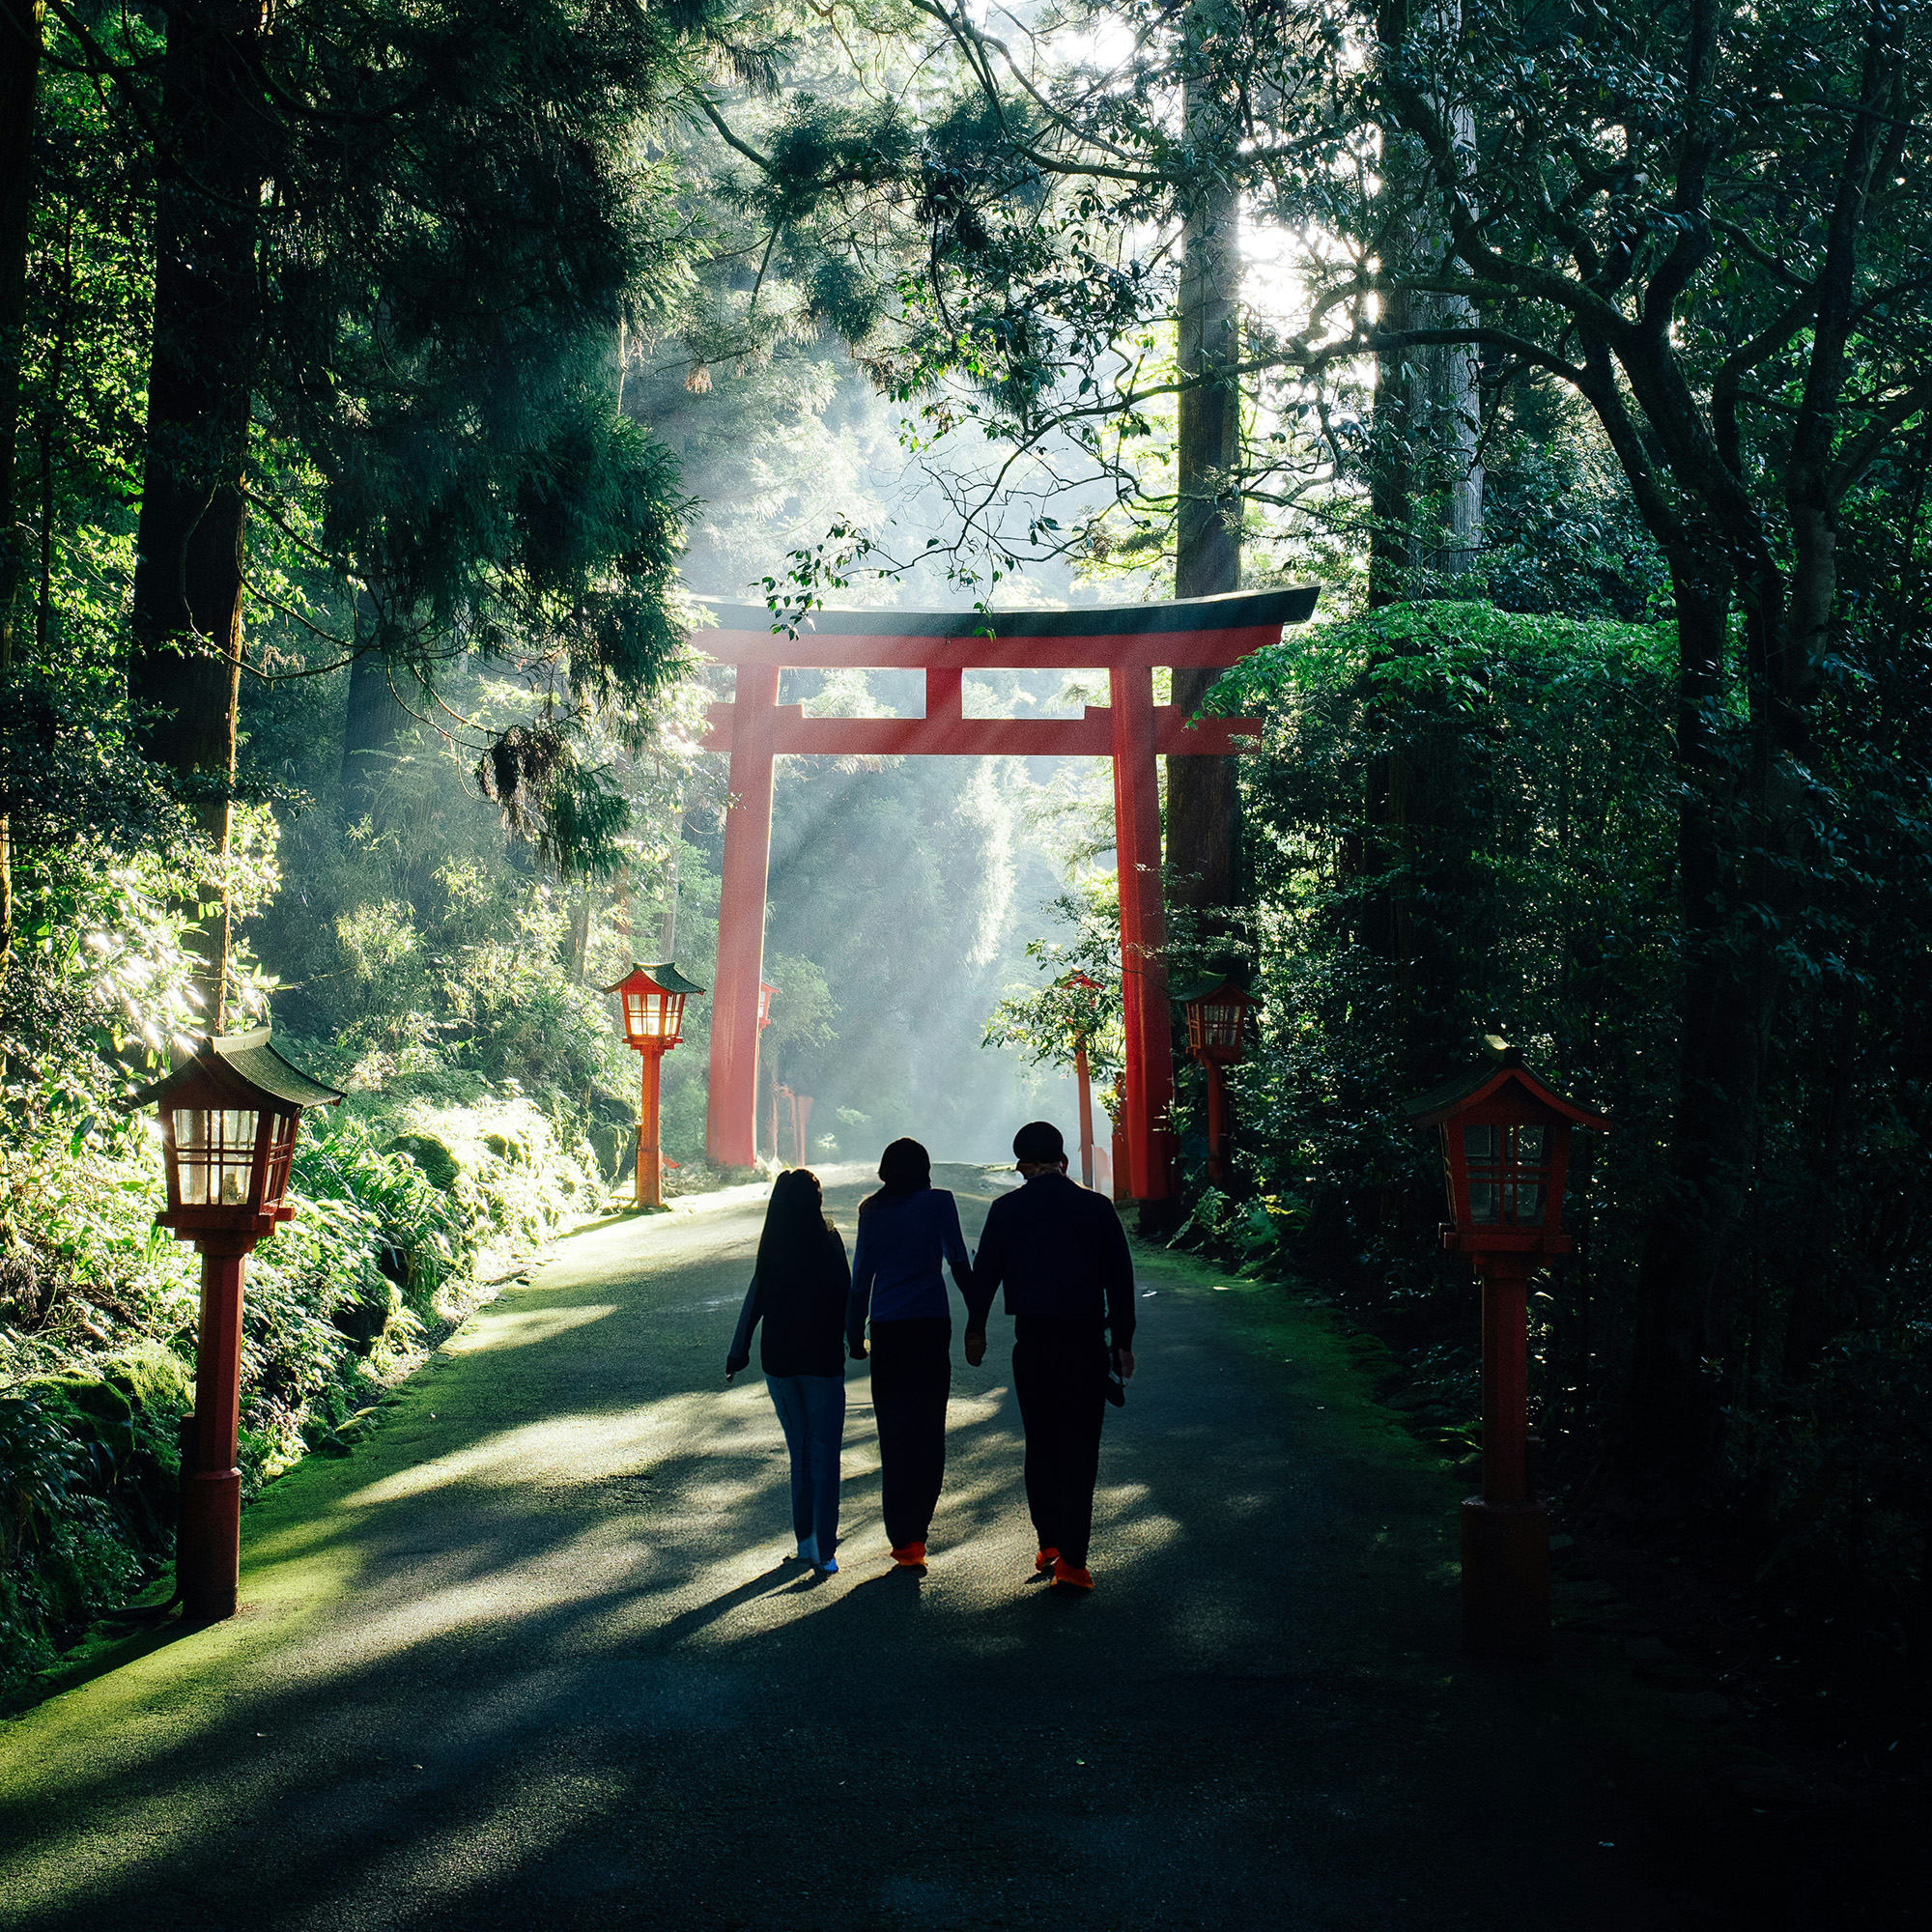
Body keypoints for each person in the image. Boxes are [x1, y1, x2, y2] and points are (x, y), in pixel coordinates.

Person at [964, 1120, 1136, 1591]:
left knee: (1041, 1444)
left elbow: (985, 1277)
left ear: (1022, 1164)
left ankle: (1050, 1543)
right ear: (1063, 1160)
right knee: (1080, 1448)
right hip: (1084, 1344)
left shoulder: (1007, 1209)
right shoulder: (1096, 1208)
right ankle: (1075, 1563)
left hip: (1033, 1345)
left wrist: (974, 1330)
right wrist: (1122, 1343)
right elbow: (1120, 1280)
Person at [846, 1138, 974, 1570]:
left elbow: (861, 1276)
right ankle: (918, 1529)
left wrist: (852, 1334)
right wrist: (977, 1318)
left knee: (894, 1433)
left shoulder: (871, 1212)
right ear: (924, 1170)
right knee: (928, 1429)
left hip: (887, 1329)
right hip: (930, 1327)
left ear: (885, 1172)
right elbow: (958, 1261)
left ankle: (902, 1538)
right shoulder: (940, 1203)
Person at [725, 1167, 856, 1573]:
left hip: (779, 1362)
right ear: (816, 1202)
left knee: (799, 1450)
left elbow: (755, 1298)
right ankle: (826, 1554)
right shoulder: (829, 1240)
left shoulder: (774, 1243)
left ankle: (805, 1543)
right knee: (824, 1453)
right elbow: (847, 1294)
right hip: (822, 1361)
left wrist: (737, 1352)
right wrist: (856, 1342)